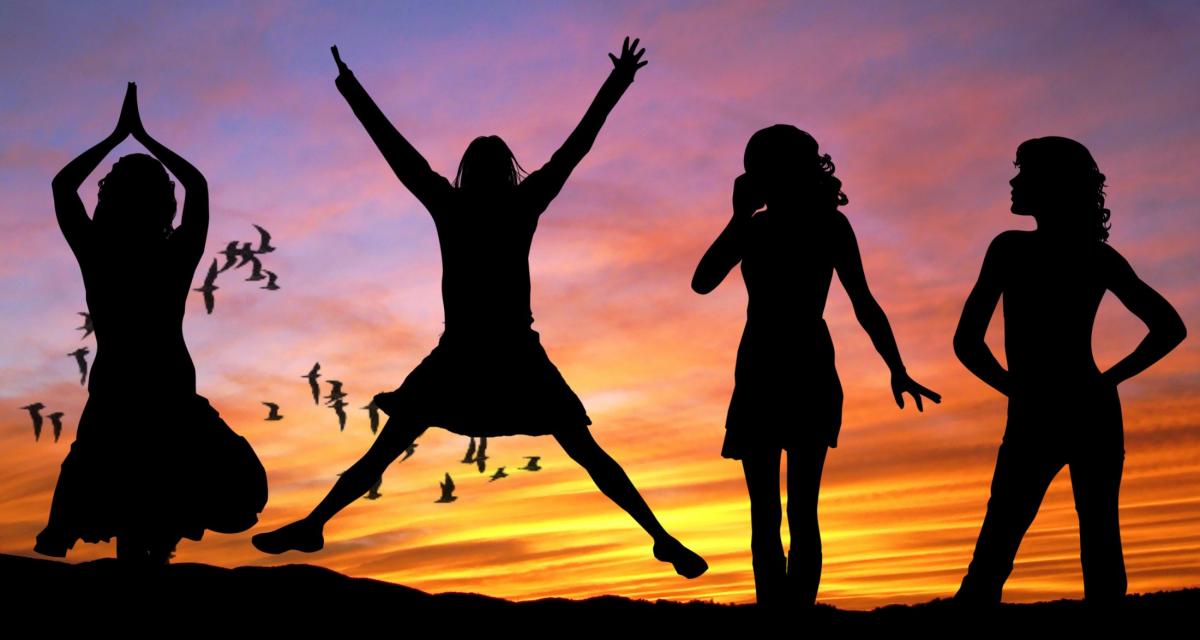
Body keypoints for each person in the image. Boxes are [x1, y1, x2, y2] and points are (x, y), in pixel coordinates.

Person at [252, 38, 707, 579]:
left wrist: (349, 87)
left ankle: (315, 523)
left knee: (394, 446)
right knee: (581, 451)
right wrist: (618, 83)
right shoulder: (515, 202)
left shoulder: (459, 204)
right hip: (490, 352)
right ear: (504, 170)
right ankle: (659, 536)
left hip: (485, 352)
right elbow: (573, 148)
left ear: (470, 171)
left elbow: (398, 152)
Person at [692, 125, 940, 607]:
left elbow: (864, 302)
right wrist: (738, 218)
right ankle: (778, 616)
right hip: (766, 369)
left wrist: (897, 366)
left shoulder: (826, 225)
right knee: (771, 512)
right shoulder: (757, 228)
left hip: (798, 366)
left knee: (795, 511)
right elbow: (702, 282)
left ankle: (794, 618)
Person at [34, 83, 268, 564]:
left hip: (130, 390)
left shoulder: (99, 252)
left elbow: (62, 187)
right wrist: (143, 137)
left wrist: (119, 137)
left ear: (110, 199)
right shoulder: (171, 253)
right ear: (165, 203)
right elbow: (198, 187)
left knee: (135, 513)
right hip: (160, 389)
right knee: (153, 515)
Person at [953, 136, 1186, 605]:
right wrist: (1105, 383)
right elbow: (1169, 328)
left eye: (1025, 174)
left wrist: (1015, 388)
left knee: (1002, 544)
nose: (1015, 182)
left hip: (1047, 410)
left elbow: (967, 343)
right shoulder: (1091, 256)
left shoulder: (1012, 250)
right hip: (1085, 407)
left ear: (1053, 185)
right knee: (1092, 538)